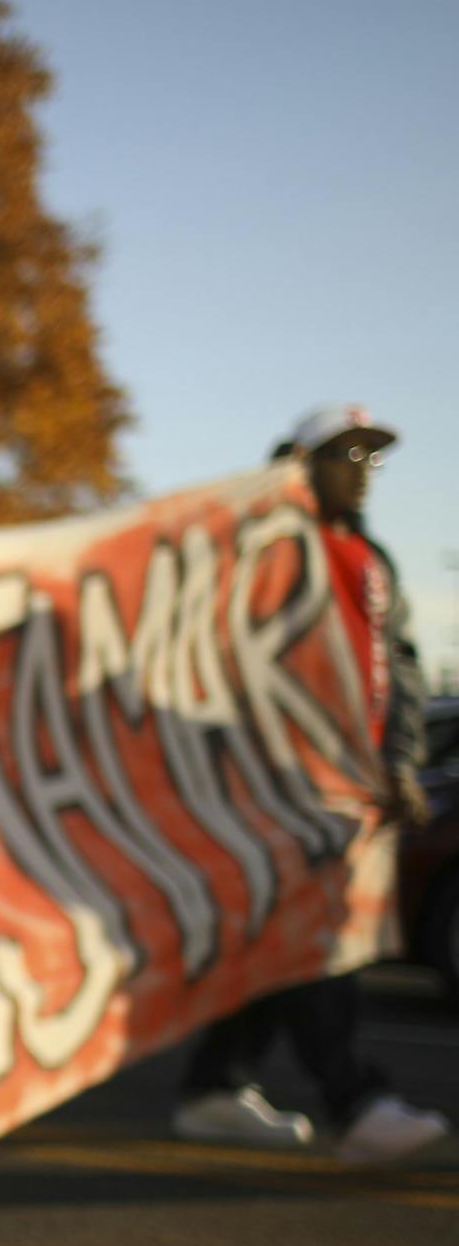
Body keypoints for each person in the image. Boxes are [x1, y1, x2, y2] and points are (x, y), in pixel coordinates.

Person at [173, 405, 449, 1166]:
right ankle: (353, 1099)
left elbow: (402, 671)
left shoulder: (372, 560)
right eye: (344, 453)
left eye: (371, 456)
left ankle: (213, 1085)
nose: (361, 468)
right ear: (299, 462)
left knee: (286, 938)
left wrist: (399, 759)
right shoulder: (261, 552)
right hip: (274, 782)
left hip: (347, 787)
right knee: (317, 935)